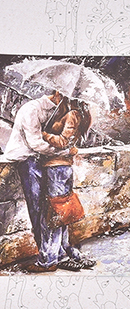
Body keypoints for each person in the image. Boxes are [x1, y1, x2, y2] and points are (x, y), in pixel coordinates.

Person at [4, 91, 69, 272]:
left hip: (42, 160)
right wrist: (64, 152)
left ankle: (54, 255)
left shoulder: (58, 110)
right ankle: (47, 257)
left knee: (51, 209)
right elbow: (35, 143)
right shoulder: (32, 109)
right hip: (28, 161)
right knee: (38, 208)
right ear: (58, 94)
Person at [39, 96, 96, 271]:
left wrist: (44, 135)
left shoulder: (72, 114)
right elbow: (72, 145)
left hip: (56, 168)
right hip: (64, 168)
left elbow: (63, 141)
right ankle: (67, 252)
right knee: (62, 213)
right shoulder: (81, 115)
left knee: (56, 214)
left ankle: (53, 258)